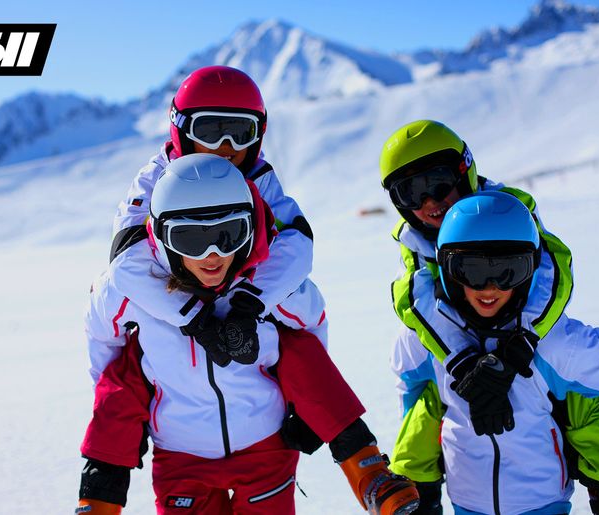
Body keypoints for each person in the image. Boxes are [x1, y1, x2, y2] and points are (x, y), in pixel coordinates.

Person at [77, 154, 420, 514]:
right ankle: (99, 497)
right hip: (181, 456)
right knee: (124, 373)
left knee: (296, 349)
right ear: (162, 237)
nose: (212, 255)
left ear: (250, 230)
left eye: (228, 235)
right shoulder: (136, 293)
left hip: (264, 448)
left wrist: (305, 410)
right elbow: (103, 337)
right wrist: (127, 413)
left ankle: (366, 469)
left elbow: (311, 332)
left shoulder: (270, 288)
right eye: (191, 239)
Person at [378, 120, 599, 513]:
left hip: (539, 482)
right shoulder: (416, 240)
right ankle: (416, 491)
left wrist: (522, 339)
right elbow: (414, 297)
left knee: (579, 397)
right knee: (428, 405)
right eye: (411, 193)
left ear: (465, 169)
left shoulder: (512, 213)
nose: (429, 203)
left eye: (437, 183)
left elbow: (553, 270)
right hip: (468, 486)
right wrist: (461, 358)